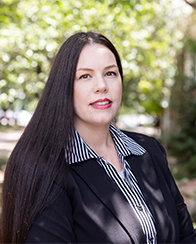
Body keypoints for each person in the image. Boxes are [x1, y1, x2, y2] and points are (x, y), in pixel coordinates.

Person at [1, 31, 196, 244]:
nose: (102, 85)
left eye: (110, 73)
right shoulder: (44, 168)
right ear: (64, 87)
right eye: (85, 76)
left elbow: (185, 235)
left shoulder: (149, 150)